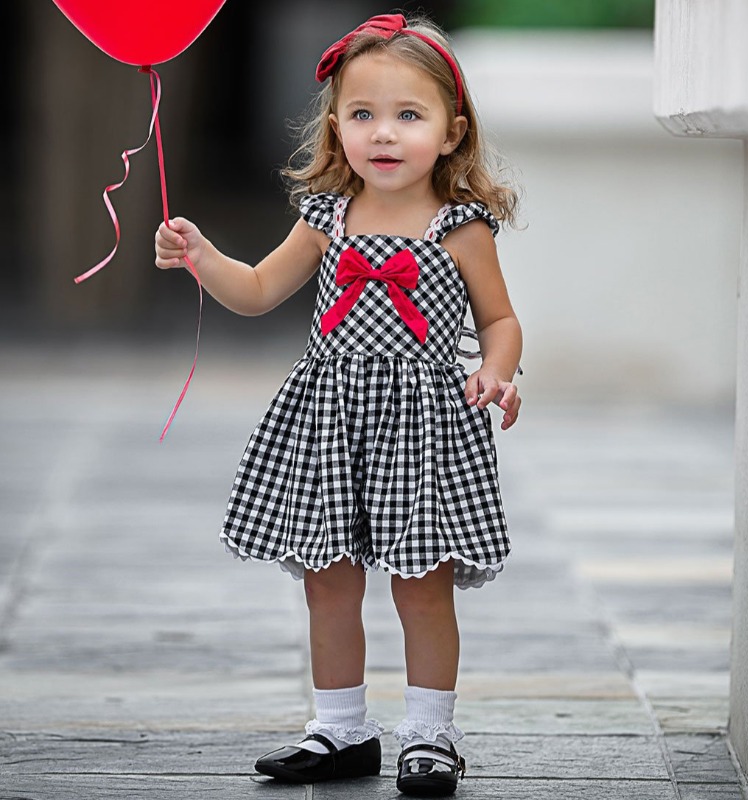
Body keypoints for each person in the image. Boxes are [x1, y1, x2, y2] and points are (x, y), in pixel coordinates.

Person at [154, 12, 522, 797]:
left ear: (452, 132)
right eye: (362, 114)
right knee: (328, 576)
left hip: (422, 425)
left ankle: (429, 733)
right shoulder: (326, 218)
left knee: (420, 580)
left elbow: (500, 320)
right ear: (336, 126)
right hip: (331, 420)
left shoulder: (460, 230)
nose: (383, 134)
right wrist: (202, 257)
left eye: (407, 116)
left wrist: (498, 369)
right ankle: (340, 727)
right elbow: (254, 292)